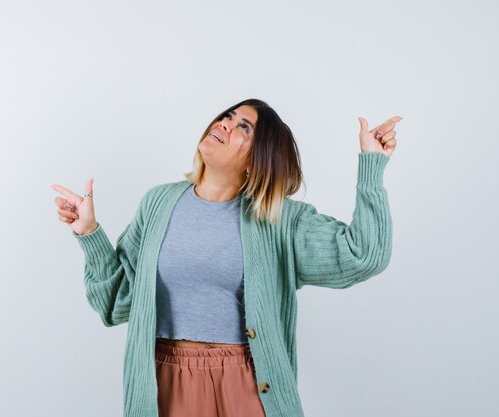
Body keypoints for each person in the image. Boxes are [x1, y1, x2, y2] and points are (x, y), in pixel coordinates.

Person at [51, 98, 399, 417]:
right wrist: (90, 232)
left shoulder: (279, 220)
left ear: (257, 159)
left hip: (245, 383)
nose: (224, 124)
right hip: (165, 383)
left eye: (243, 127)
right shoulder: (158, 204)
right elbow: (116, 304)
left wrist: (372, 165)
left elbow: (365, 254)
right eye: (227, 117)